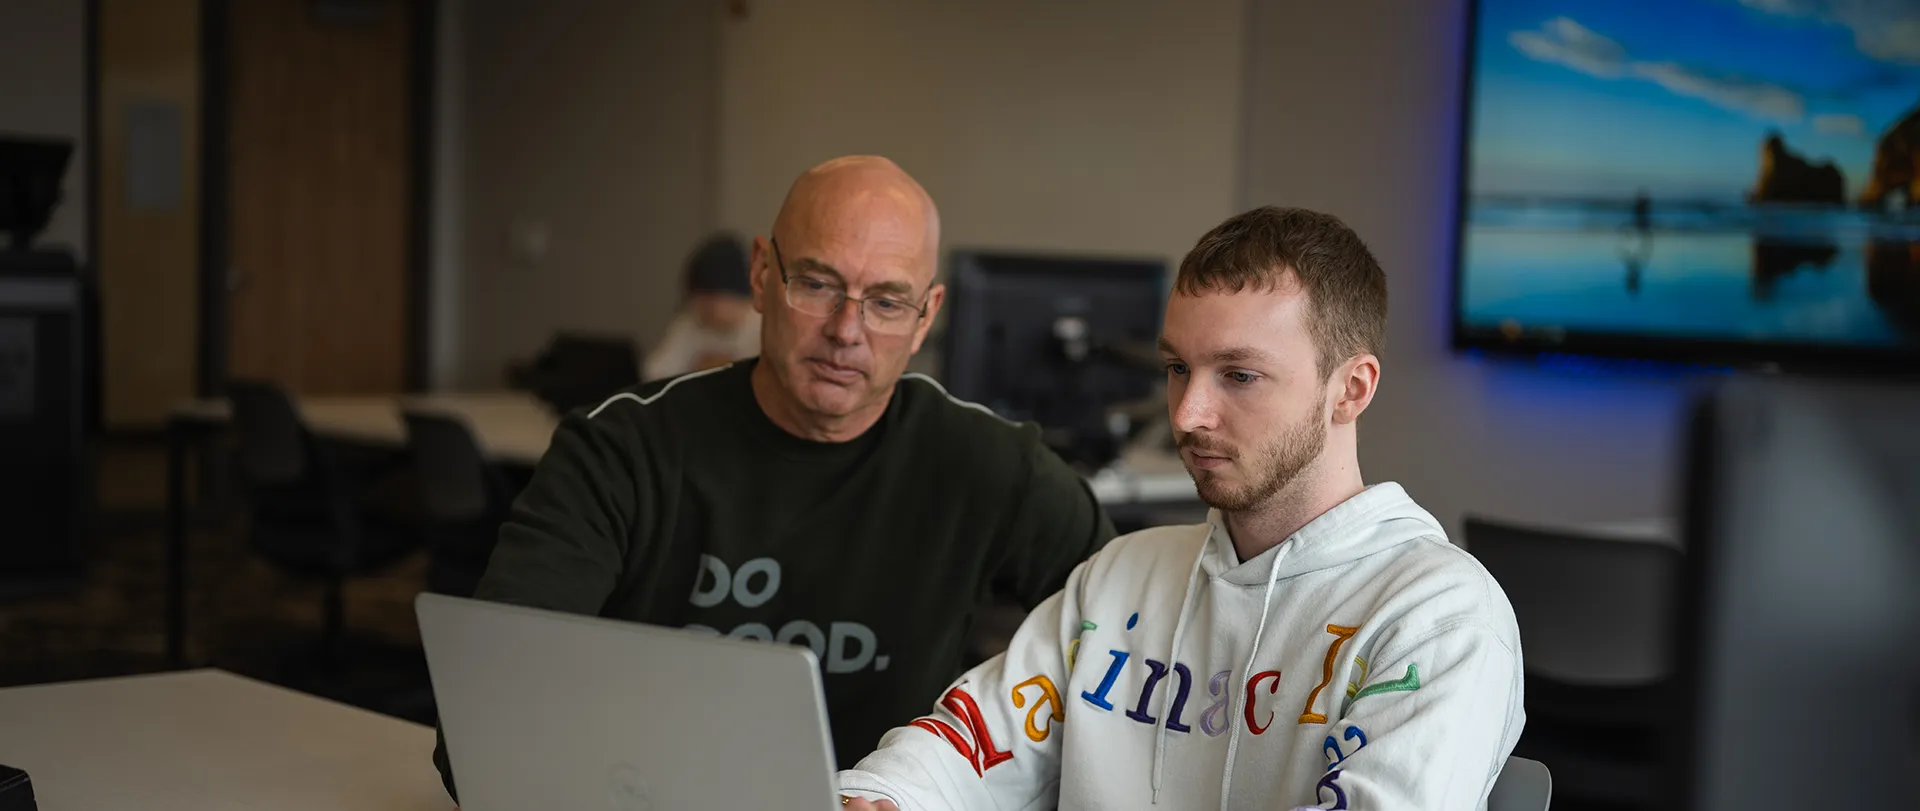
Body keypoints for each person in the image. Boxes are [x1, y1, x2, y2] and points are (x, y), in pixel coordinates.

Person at [431, 156, 1116, 800]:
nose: (847, 330)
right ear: (762, 275)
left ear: (926, 316)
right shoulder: (621, 450)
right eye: (817, 283)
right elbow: (482, 719)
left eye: (886, 301)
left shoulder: (987, 464)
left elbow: (1124, 645)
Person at [837, 207, 1524, 810]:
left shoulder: (1437, 617)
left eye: (1239, 376)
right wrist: (886, 795)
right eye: (1177, 369)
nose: (1189, 414)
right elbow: (968, 741)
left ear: (1350, 389)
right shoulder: (1121, 577)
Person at [643, 233, 762, 380]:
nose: (707, 308)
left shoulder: (761, 326)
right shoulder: (689, 324)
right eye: (700, 299)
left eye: (713, 298)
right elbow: (654, 375)